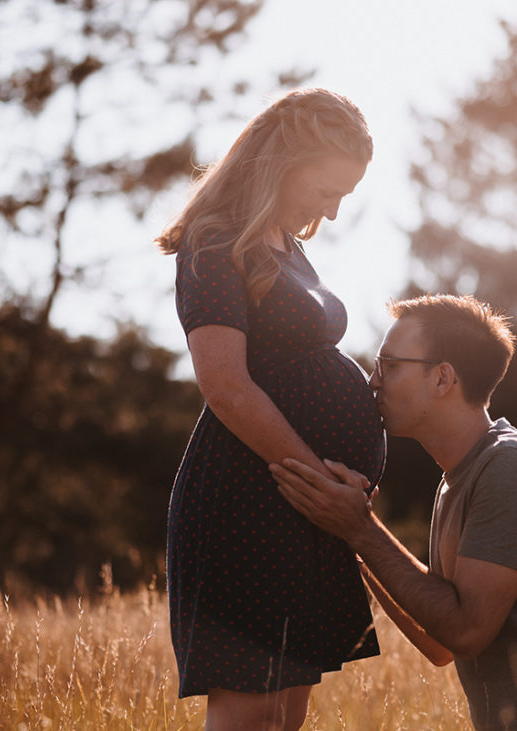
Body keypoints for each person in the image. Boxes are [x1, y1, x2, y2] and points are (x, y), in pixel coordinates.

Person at [270, 294, 517, 730]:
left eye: (390, 366)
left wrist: (359, 528)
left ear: (443, 378)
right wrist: (346, 531)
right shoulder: (456, 482)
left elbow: (466, 632)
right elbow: (440, 644)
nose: (373, 381)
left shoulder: (514, 467)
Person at [154, 88, 385, 731]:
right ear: (284, 161)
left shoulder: (284, 243)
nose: (333, 212)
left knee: (285, 713)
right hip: (249, 498)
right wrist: (316, 478)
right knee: (250, 709)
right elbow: (225, 385)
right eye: (327, 189)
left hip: (295, 503)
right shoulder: (215, 241)